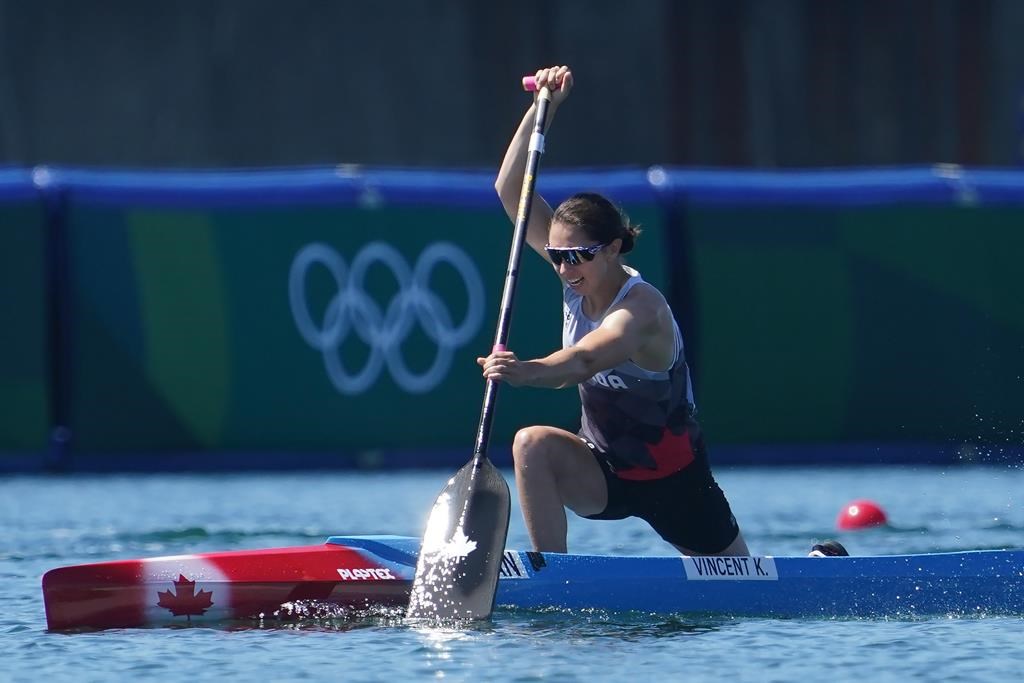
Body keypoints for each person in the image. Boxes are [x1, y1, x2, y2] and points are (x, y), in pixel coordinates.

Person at [480, 65, 749, 557]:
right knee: (530, 444)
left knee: (746, 591)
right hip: (603, 470)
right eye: (556, 256)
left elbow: (584, 362)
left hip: (677, 483)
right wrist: (544, 108)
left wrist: (523, 371)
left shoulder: (642, 310)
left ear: (612, 250)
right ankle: (553, 576)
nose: (564, 267)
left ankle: (820, 562)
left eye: (577, 255)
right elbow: (510, 187)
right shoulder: (577, 274)